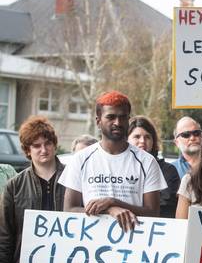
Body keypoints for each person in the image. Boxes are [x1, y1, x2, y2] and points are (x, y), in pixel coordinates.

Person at [61, 91, 166, 231]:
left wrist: (112, 201)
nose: (117, 122)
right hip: (90, 242)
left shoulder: (147, 162)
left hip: (134, 242)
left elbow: (153, 213)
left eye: (122, 117)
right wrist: (110, 210)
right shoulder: (80, 159)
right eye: (111, 117)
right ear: (98, 121)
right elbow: (69, 209)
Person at [0, 116, 65, 263]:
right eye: (36, 146)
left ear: (54, 144)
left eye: (47, 144)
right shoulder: (14, 186)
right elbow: (5, 234)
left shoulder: (75, 179)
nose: (43, 150)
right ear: (27, 150)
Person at [128, 116, 181, 218]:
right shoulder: (118, 168)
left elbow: (165, 207)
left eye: (147, 137)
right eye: (137, 137)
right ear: (126, 139)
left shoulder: (168, 171)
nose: (142, 141)